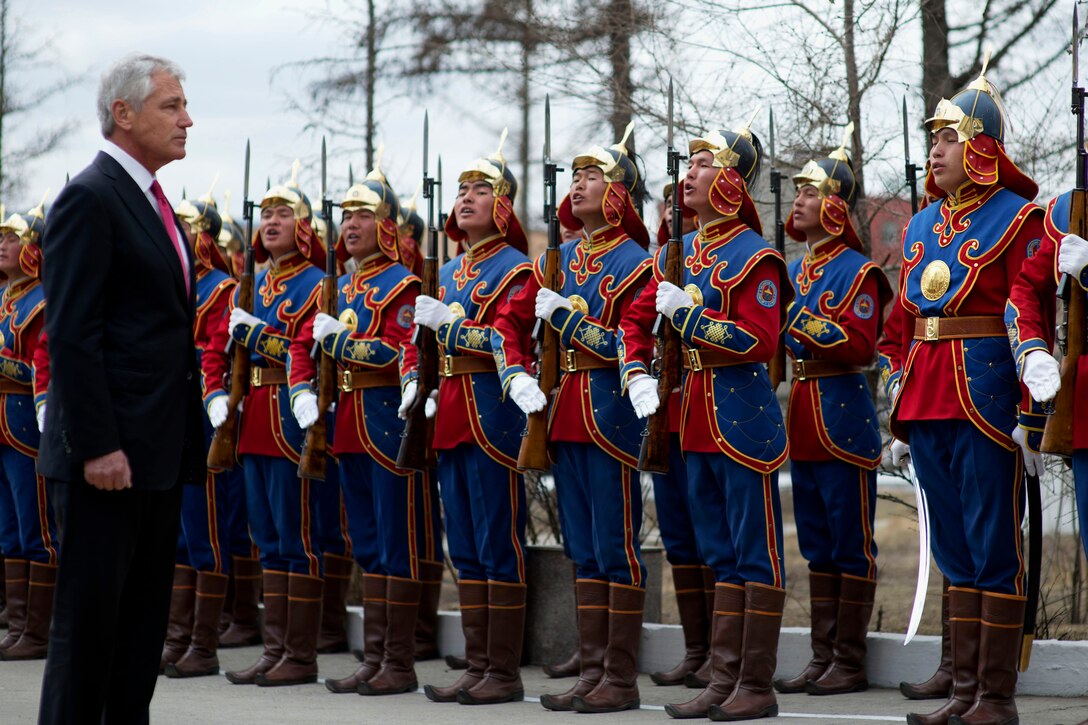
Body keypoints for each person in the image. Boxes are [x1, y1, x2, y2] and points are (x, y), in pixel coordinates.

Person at [37, 53, 205, 724]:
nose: (187, 119)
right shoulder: (90, 196)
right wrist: (99, 446)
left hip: (157, 456)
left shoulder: (154, 203)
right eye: (171, 106)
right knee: (89, 633)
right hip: (109, 462)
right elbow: (74, 335)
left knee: (139, 635)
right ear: (123, 113)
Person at [878, 63, 1044, 725]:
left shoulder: (1019, 218)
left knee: (991, 542)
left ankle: (994, 698)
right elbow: (904, 322)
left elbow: (1028, 312)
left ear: (981, 146)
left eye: (948, 136)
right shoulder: (921, 224)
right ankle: (965, 691)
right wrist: (897, 383)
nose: (935, 149)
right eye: (933, 139)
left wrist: (1033, 412)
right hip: (926, 399)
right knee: (952, 544)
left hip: (986, 398)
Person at [619, 121, 792, 721]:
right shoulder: (682, 251)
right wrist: (635, 370)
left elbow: (758, 340)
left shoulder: (755, 253)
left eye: (700, 165)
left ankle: (756, 685)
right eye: (687, 166)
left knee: (754, 550)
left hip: (742, 416)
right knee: (719, 553)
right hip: (693, 415)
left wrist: (688, 320)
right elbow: (635, 322)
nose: (687, 175)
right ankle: (724, 680)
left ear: (729, 180)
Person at [494, 124, 652, 714]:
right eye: (577, 176)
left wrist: (570, 324)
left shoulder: (638, 263)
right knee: (582, 548)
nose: (579, 184)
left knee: (615, 545)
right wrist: (516, 374)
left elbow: (633, 346)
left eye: (593, 176)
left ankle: (619, 678)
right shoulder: (562, 259)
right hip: (564, 414)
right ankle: (593, 672)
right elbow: (508, 324)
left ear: (618, 193)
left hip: (611, 412)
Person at [770, 135, 891, 697]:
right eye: (796, 192)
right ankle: (822, 657)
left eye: (809, 192)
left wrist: (795, 317)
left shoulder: (859, 272)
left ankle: (849, 659)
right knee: (816, 544)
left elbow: (858, 345)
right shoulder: (796, 268)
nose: (798, 201)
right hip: (803, 416)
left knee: (849, 540)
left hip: (843, 415)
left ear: (836, 204)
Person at [414, 135, 533, 705]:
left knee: (495, 541)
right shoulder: (452, 270)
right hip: (453, 414)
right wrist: (421, 381)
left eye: (480, 189)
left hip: (493, 411)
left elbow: (506, 340)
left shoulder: (516, 268)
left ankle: (503, 673)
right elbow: (432, 348)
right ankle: (479, 664)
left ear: (502, 204)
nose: (465, 198)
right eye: (461, 189)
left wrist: (449, 329)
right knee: (463, 543)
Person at [305, 165, 428, 697]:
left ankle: (397, 663)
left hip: (386, 421)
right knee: (368, 543)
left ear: (385, 225)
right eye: (347, 214)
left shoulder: (402, 283)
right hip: (351, 423)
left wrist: (340, 346)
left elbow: (401, 352)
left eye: (363, 215)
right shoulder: (348, 283)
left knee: (394, 541)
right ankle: (375, 656)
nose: (351, 224)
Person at [222, 172, 327, 688]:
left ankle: (299, 655)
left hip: (290, 413)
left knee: (295, 536)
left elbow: (305, 354)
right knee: (265, 538)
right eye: (265, 214)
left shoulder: (316, 283)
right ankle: (274, 647)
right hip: (256, 418)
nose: (270, 222)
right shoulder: (259, 282)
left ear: (303, 226)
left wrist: (256, 334)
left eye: (283, 213)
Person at [157, 195, 239, 678]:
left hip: (203, 413)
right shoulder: (176, 281)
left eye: (187, 226)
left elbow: (212, 350)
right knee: (181, 535)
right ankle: (177, 635)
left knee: (205, 531)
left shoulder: (221, 288)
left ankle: (202, 645)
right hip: (170, 413)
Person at [0, 200, 57, 662]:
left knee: (37, 529)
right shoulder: (4, 296)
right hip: (1, 422)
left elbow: (41, 370)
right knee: (8, 531)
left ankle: (37, 631)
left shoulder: (44, 298)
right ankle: (17, 625)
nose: (2, 244)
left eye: (12, 237)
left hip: (26, 421)